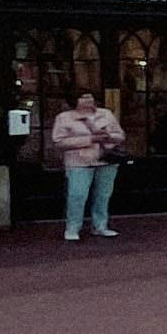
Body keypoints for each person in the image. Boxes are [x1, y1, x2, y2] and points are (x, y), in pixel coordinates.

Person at [46, 87, 127, 242]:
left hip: (106, 160)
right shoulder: (64, 118)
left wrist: (108, 136)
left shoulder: (106, 114)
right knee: (77, 195)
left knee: (103, 195)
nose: (88, 100)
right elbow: (59, 141)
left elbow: (120, 135)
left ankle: (100, 226)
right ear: (75, 100)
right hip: (79, 162)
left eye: (90, 97)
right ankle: (73, 228)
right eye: (84, 97)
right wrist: (89, 140)